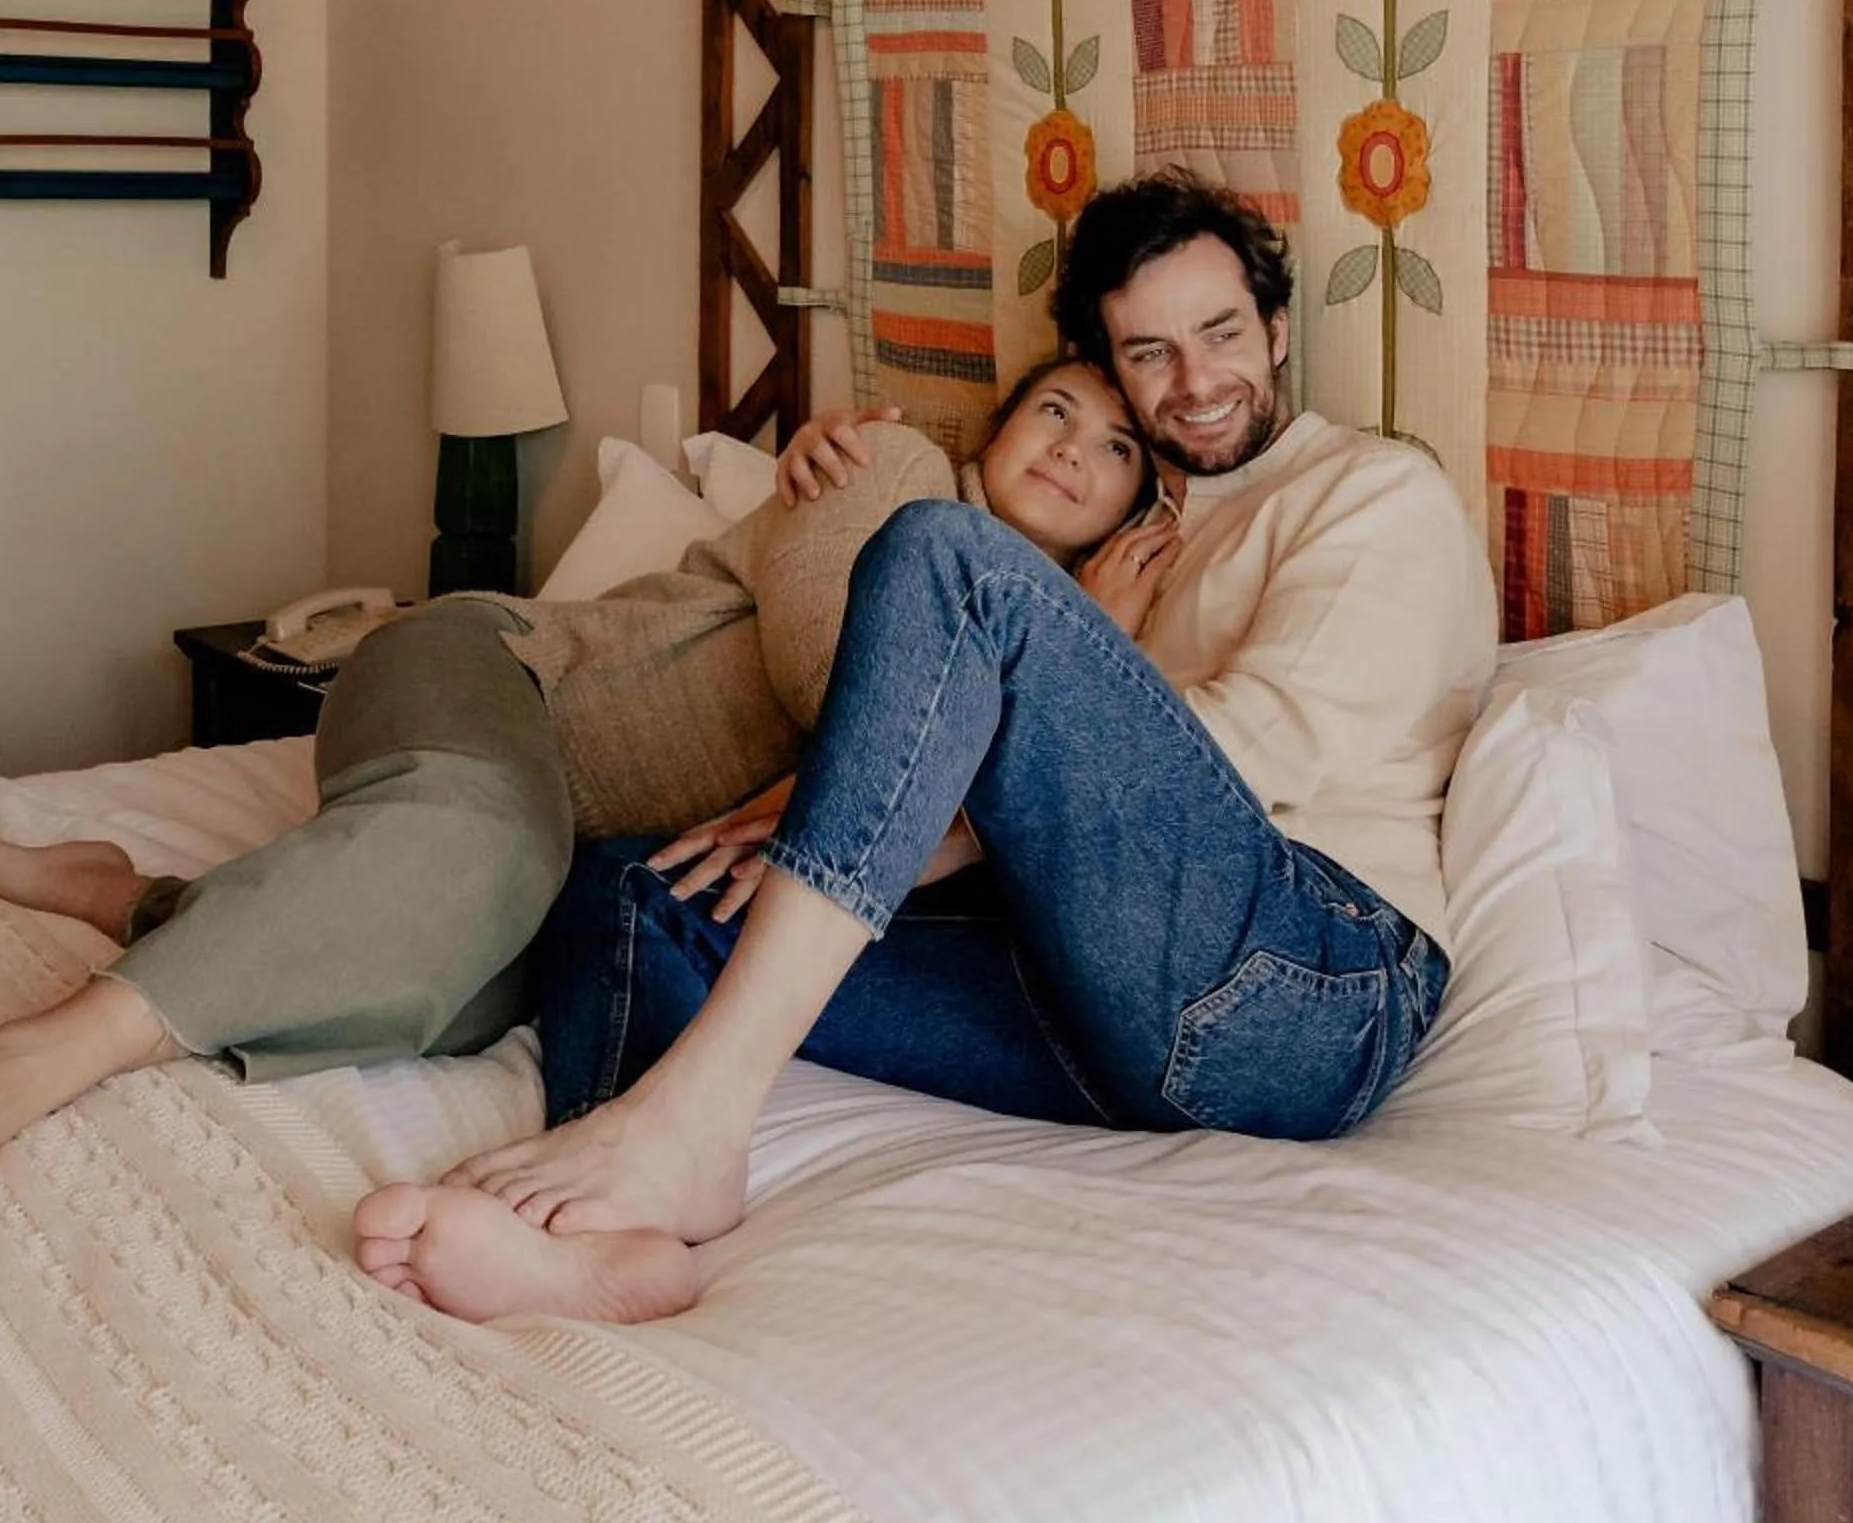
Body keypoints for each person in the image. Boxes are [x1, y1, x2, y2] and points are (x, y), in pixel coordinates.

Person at [354, 172, 1498, 1326]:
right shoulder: (1137, 537)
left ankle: (697, 1122)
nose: (1195, 382)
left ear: (1279, 329)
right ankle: (603, 1238)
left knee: (943, 555)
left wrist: (899, 829)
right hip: (1100, 992)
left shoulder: (1372, 490)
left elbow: (1256, 749)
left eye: (1222, 333)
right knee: (644, 884)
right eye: (1149, 352)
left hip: (1307, 984)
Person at [0, 358, 1154, 1228]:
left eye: (1115, 447)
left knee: (461, 996)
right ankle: (57, 1046)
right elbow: (843, 681)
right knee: (484, 847)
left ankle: (127, 892)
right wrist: (1063, 672)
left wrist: (1083, 654)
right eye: (1054, 409)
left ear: (1126, 517)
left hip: (562, 846)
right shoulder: (892, 475)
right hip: (500, 674)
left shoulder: (1013, 655)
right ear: (994, 424)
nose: (1072, 449)